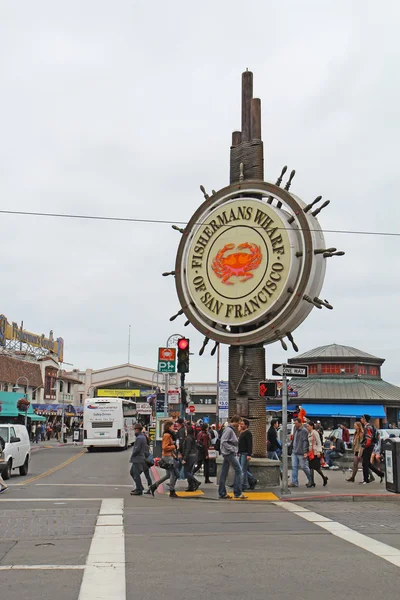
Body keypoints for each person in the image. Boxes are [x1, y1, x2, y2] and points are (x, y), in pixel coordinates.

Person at [218, 414, 247, 500]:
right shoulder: (229, 430)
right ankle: (237, 492)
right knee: (239, 470)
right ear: (234, 421)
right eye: (238, 422)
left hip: (226, 453)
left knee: (224, 472)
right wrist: (232, 449)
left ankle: (222, 492)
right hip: (229, 453)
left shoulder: (228, 429)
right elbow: (224, 441)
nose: (239, 424)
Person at [149, 421, 179, 498]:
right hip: (167, 457)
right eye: (172, 426)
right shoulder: (167, 435)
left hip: (169, 456)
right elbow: (165, 447)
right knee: (173, 474)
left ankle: (154, 486)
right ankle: (172, 491)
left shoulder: (168, 435)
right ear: (169, 427)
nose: (173, 428)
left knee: (168, 475)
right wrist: (174, 446)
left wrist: (174, 455)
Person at [360, 414, 384, 485]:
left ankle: (366, 479)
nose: (361, 419)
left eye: (362, 418)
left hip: (368, 446)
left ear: (364, 419)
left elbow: (369, 438)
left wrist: (365, 445)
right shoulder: (370, 426)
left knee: (365, 463)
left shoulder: (368, 427)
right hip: (370, 446)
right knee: (367, 463)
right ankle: (380, 474)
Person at [289, 418, 312, 488]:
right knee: (294, 467)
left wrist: (305, 452)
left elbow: (305, 442)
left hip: (301, 452)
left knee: (304, 467)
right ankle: (294, 482)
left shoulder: (304, 431)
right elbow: (294, 440)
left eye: (296, 423)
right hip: (295, 451)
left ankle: (311, 480)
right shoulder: (296, 429)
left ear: (300, 423)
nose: (295, 425)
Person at [306, 422, 328, 487]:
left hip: (315, 452)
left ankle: (324, 478)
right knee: (311, 467)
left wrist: (319, 451)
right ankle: (312, 482)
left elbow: (319, 442)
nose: (307, 428)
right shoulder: (309, 433)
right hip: (310, 452)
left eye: (308, 426)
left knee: (317, 468)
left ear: (312, 426)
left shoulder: (315, 433)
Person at [238, 419, 257, 490]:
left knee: (243, 470)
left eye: (242, 424)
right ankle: (252, 480)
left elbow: (250, 444)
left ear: (246, 425)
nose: (241, 425)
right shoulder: (242, 432)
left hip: (245, 453)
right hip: (241, 453)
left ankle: (244, 485)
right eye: (241, 424)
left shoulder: (248, 433)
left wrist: (249, 454)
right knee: (243, 469)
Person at [129, 424, 149, 496]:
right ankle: (139, 486)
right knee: (132, 472)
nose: (134, 431)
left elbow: (137, 449)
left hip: (137, 458)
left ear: (137, 429)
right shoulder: (142, 437)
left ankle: (139, 489)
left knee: (135, 473)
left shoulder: (139, 438)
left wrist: (133, 454)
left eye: (135, 429)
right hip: (140, 457)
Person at [182, 425, 200, 492]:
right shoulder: (192, 438)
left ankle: (196, 482)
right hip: (194, 455)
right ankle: (191, 486)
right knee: (189, 471)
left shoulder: (188, 438)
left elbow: (187, 449)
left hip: (190, 456)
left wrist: (185, 458)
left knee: (186, 472)